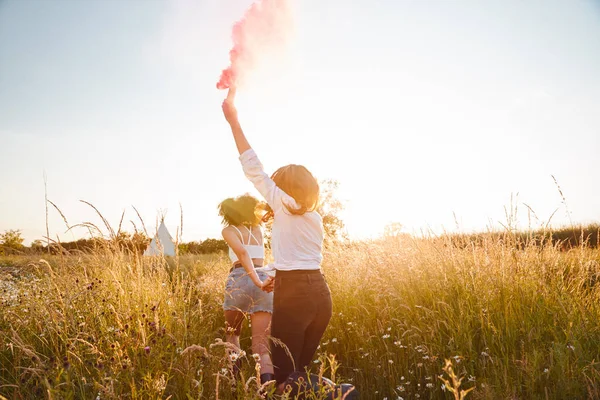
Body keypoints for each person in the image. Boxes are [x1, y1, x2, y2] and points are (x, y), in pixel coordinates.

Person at [221, 88, 333, 389]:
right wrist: (271, 273)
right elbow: (299, 260)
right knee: (298, 375)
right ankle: (338, 393)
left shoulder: (282, 202)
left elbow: (253, 167)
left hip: (295, 295)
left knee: (285, 378)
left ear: (282, 188)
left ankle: (344, 394)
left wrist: (233, 121)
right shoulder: (314, 218)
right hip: (321, 297)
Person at [219, 194, 274, 385]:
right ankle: (266, 392)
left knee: (232, 333)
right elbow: (266, 212)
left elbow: (241, 253)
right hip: (263, 279)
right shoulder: (258, 229)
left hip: (239, 280)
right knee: (262, 349)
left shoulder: (229, 231)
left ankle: (235, 384)